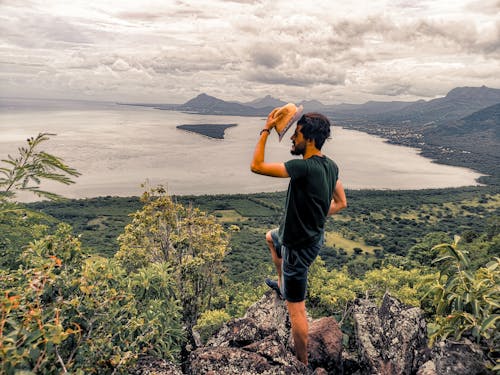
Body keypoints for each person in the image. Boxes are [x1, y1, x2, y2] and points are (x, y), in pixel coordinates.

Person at [250, 111, 347, 365]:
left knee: (298, 312)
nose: (292, 137)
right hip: (306, 237)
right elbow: (341, 202)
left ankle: (302, 364)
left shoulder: (303, 167)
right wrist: (316, 214)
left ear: (311, 139)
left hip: (298, 247)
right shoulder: (331, 165)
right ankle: (282, 284)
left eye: (297, 133)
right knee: (270, 238)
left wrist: (266, 130)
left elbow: (257, 166)